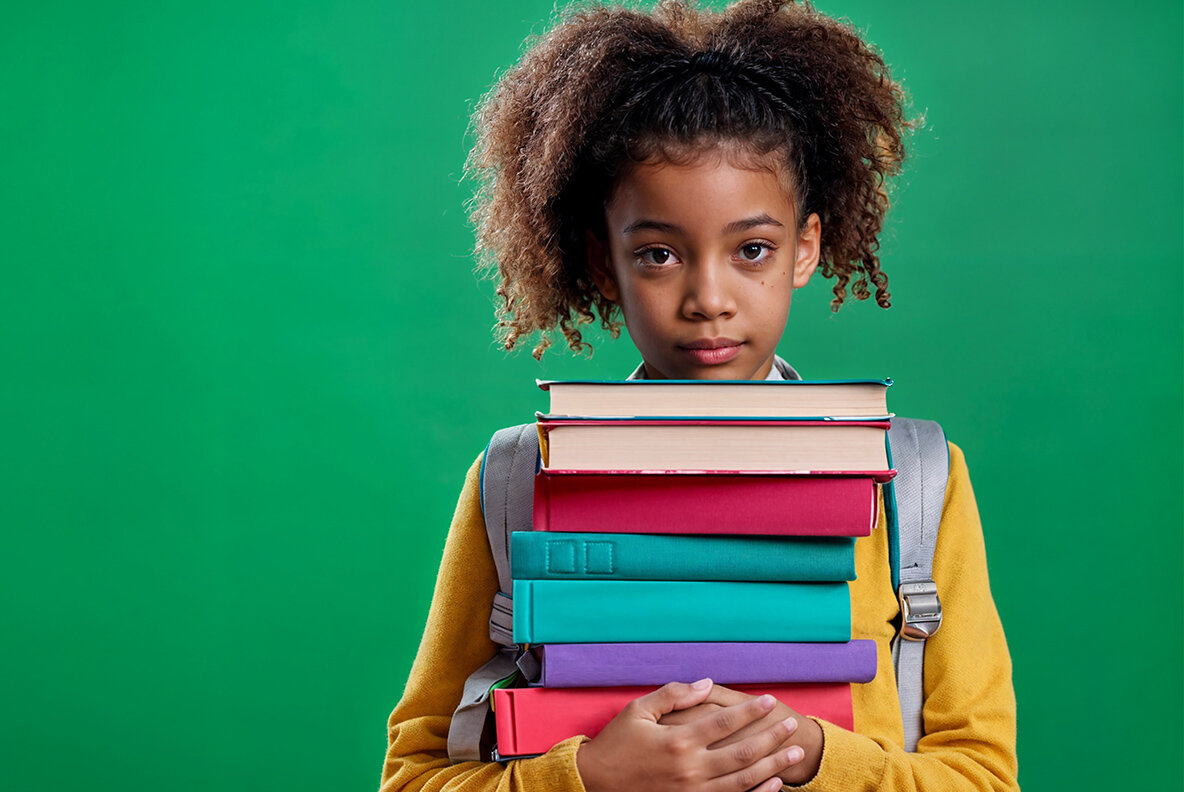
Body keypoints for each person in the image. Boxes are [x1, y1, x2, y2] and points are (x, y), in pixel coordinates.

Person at [379, 1, 1018, 789]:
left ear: (806, 248)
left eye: (752, 249)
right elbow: (412, 776)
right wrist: (590, 777)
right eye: (657, 254)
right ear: (601, 258)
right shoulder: (516, 482)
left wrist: (814, 755)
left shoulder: (917, 482)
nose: (708, 297)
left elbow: (985, 776)